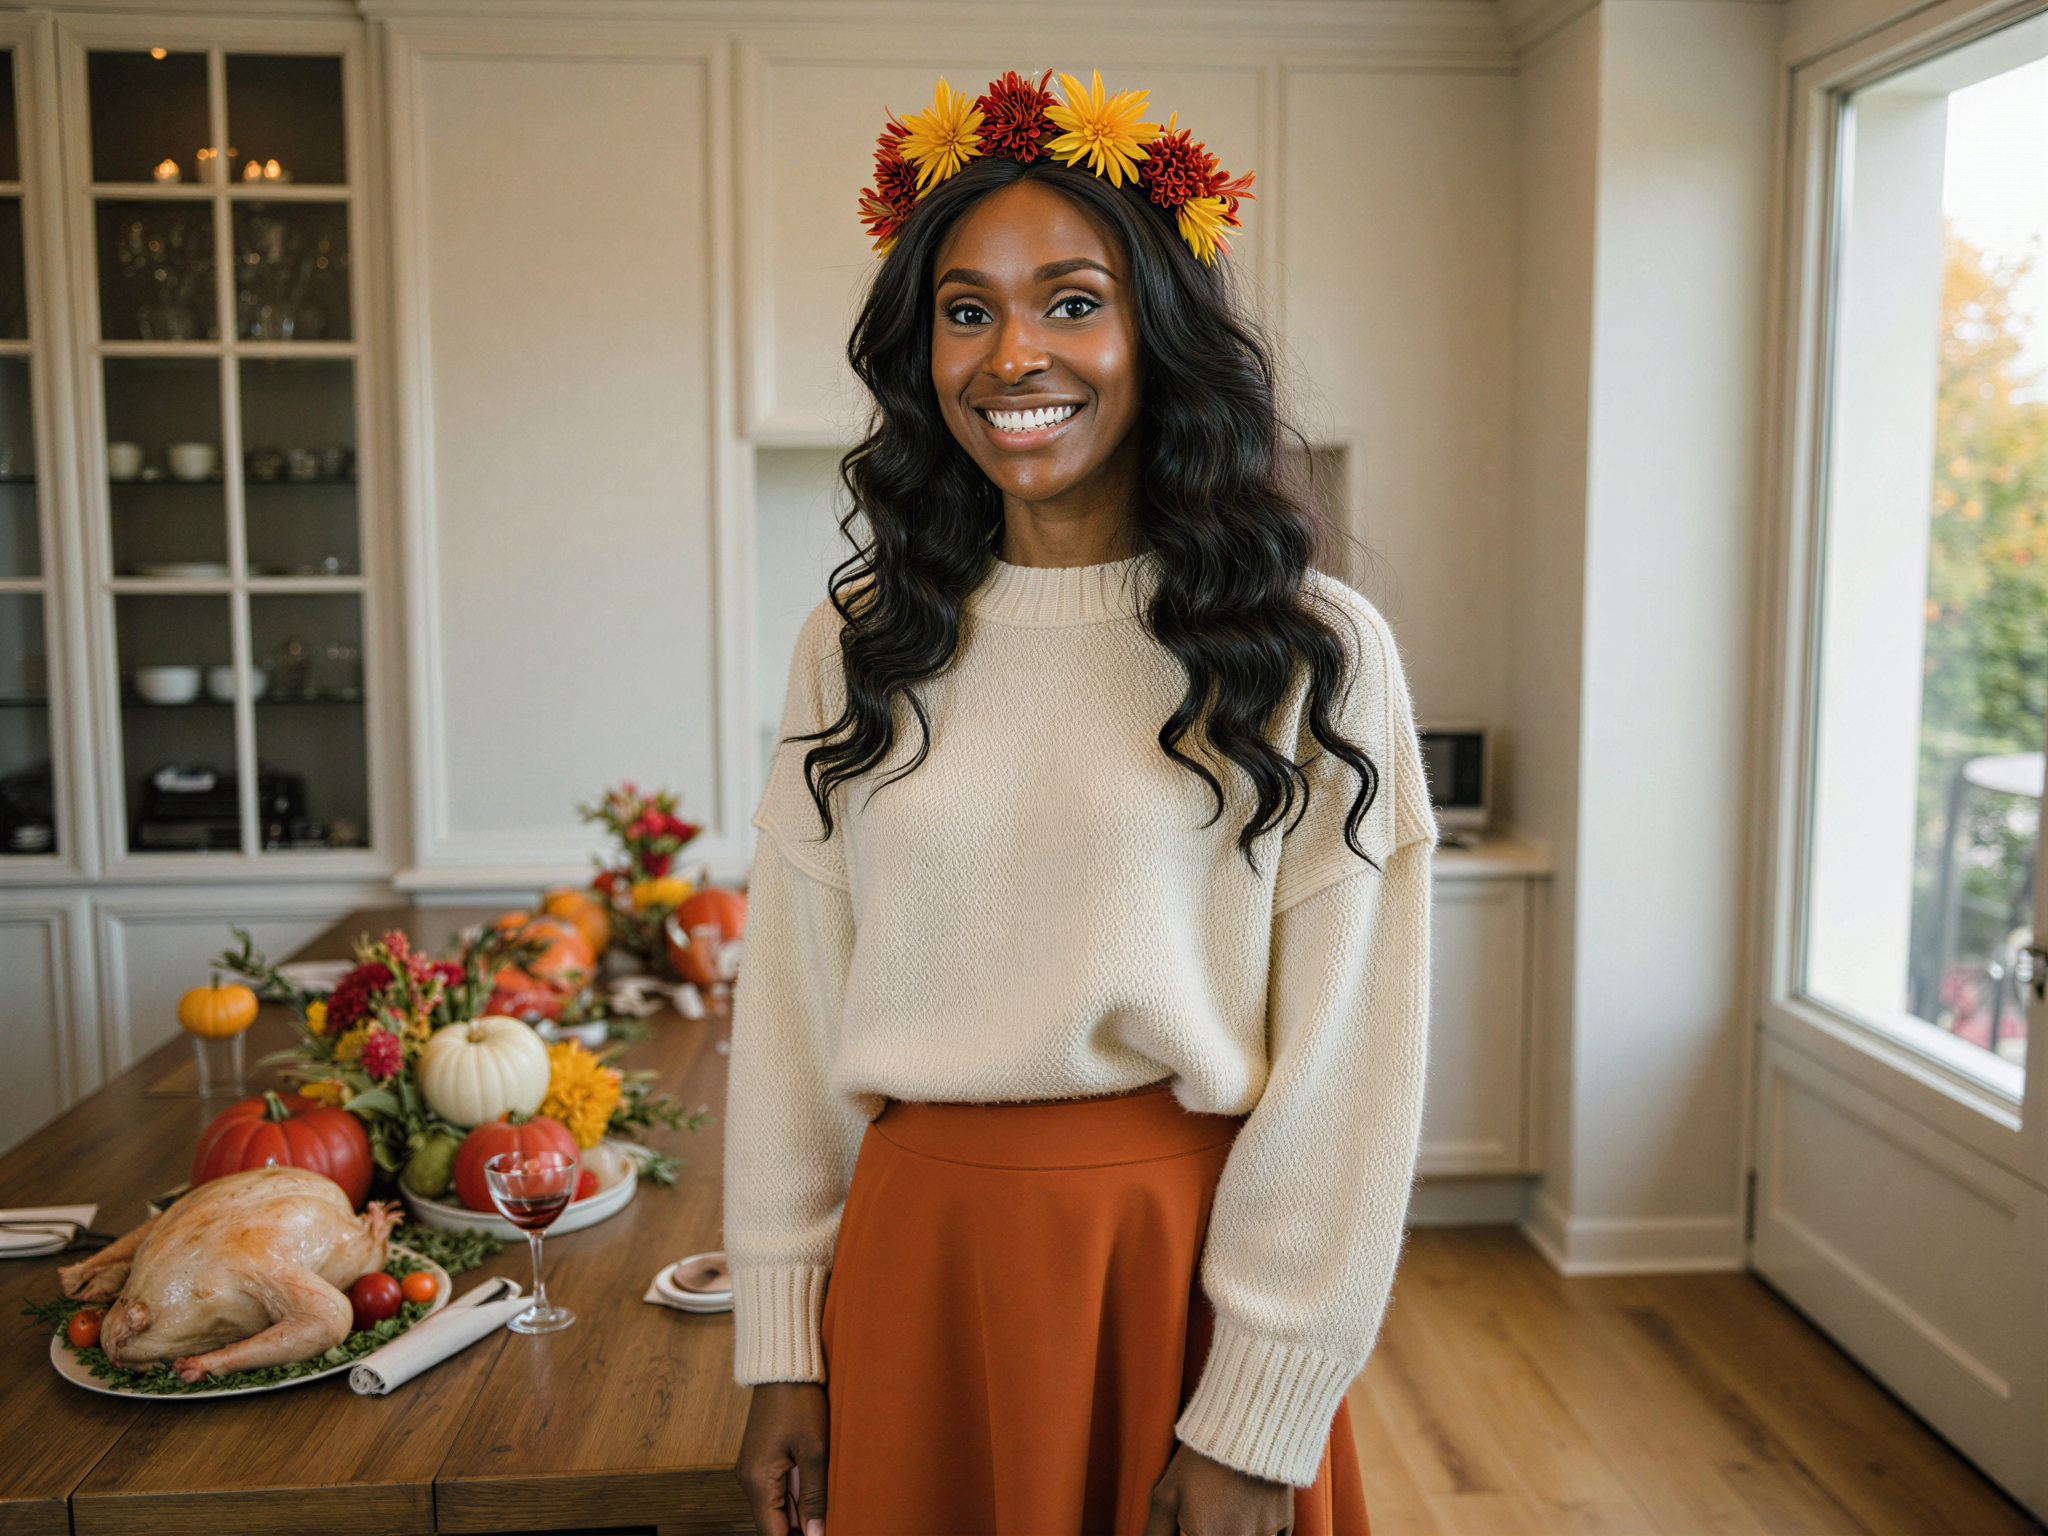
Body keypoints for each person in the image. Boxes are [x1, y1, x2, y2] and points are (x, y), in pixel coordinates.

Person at [725, 68, 1433, 1536]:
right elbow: (793, 1003)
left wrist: (1259, 1413)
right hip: (915, 1265)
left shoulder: (1311, 650)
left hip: (1176, 1272)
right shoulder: (858, 643)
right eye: (964, 311)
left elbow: (1351, 1070)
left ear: (1157, 333)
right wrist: (781, 1338)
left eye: (1071, 301)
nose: (1012, 355)